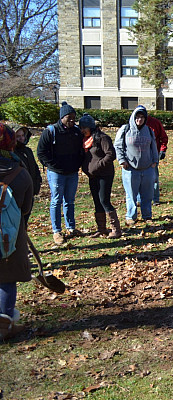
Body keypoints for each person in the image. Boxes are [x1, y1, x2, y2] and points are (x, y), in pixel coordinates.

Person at [0, 123, 33, 340]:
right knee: (6, 277)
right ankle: (5, 324)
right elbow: (26, 208)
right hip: (8, 235)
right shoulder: (19, 172)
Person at [37, 101, 84, 245]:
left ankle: (71, 227)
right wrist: (52, 165)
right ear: (62, 117)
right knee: (56, 201)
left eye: (73, 117)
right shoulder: (51, 131)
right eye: (68, 117)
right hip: (56, 173)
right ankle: (57, 231)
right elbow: (41, 152)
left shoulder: (76, 132)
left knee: (69, 201)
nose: (71, 120)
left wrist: (78, 164)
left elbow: (81, 150)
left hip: (72, 172)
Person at [115, 105, 159, 225]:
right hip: (130, 169)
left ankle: (147, 215)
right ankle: (131, 216)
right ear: (133, 117)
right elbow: (118, 146)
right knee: (131, 195)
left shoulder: (149, 130)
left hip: (147, 168)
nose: (139, 120)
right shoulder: (125, 129)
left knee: (147, 194)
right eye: (137, 117)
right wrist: (122, 161)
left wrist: (155, 161)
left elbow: (154, 147)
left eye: (142, 117)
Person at [79, 114, 121, 239]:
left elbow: (111, 155)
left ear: (91, 127)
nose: (82, 130)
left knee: (104, 200)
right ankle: (101, 229)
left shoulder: (102, 138)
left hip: (105, 175)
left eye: (84, 128)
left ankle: (116, 229)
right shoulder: (85, 140)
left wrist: (97, 165)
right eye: (81, 128)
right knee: (97, 202)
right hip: (92, 176)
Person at [11, 123, 42, 224]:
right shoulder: (11, 154)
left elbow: (35, 169)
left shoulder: (28, 151)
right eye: (18, 136)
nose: (21, 138)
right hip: (18, 194)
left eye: (22, 135)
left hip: (30, 192)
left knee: (25, 221)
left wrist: (37, 184)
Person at [145, 115, 168, 205]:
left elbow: (163, 137)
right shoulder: (134, 123)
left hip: (153, 154)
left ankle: (155, 198)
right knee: (139, 178)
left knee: (154, 177)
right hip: (140, 155)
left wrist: (163, 150)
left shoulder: (155, 122)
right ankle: (139, 199)